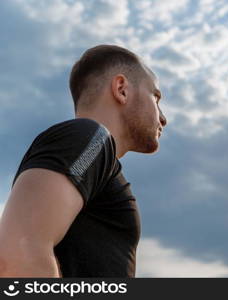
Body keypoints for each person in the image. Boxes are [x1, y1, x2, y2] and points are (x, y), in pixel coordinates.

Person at [0, 45, 167, 277]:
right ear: (122, 89)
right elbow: (18, 253)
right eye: (156, 97)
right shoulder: (91, 139)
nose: (163, 117)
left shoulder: (94, 155)